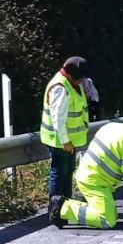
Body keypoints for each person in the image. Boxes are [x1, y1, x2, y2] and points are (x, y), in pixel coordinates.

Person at [50, 115, 123, 229]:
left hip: (87, 174)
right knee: (107, 220)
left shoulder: (113, 126)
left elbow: (113, 152)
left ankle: (67, 205)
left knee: (113, 215)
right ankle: (62, 208)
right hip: (96, 182)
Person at [40, 56, 91, 203]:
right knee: (59, 174)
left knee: (67, 173)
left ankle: (67, 206)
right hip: (60, 141)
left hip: (69, 140)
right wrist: (65, 141)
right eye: (80, 78)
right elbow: (58, 119)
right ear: (70, 75)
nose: (82, 81)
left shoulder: (71, 83)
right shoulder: (60, 88)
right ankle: (56, 209)